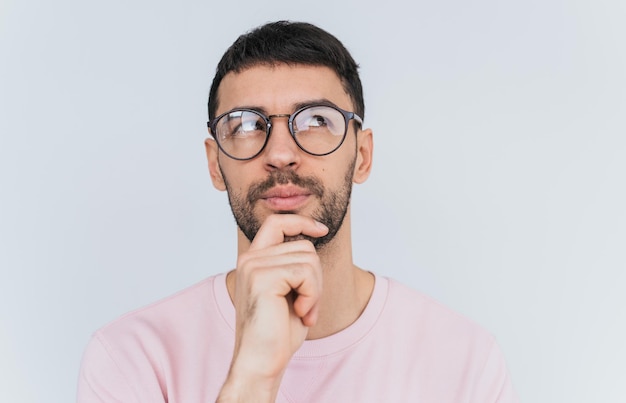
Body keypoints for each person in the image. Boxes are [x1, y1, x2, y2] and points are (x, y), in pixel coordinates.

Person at [77, 21, 518, 402]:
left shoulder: (464, 362)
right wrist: (251, 378)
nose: (282, 154)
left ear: (362, 156)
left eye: (316, 120)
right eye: (247, 126)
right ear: (215, 164)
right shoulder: (132, 358)